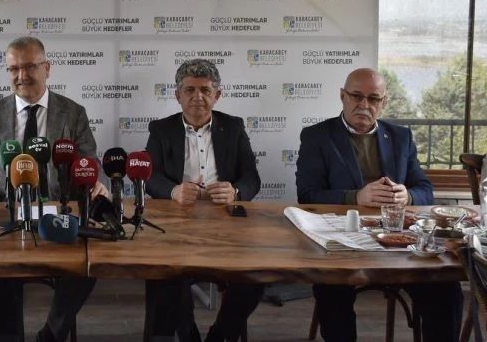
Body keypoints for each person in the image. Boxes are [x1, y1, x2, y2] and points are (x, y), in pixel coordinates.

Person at [0, 36, 108, 342]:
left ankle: (52, 334)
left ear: (47, 68)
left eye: (30, 67)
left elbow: (90, 162)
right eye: (14, 69)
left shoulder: (73, 112)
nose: (22, 76)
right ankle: (8, 335)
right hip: (3, 219)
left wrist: (96, 182)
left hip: (59, 215)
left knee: (91, 263)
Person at [295, 67, 463, 342]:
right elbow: (307, 194)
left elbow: (425, 190)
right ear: (342, 96)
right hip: (342, 241)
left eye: (373, 98)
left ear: (383, 102)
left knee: (445, 286)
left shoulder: (401, 137)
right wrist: (355, 197)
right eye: (356, 96)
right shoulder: (317, 136)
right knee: (331, 290)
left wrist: (407, 196)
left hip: (398, 242)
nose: (364, 104)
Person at [144, 58, 263, 342]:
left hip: (226, 226)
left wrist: (235, 191)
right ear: (178, 95)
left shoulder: (233, 127)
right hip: (177, 224)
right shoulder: (161, 129)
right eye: (190, 90)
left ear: (217, 95)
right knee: (170, 277)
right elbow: (149, 177)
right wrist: (173, 191)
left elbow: (252, 177)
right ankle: (189, 337)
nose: (198, 97)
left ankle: (220, 335)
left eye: (205, 90)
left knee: (254, 280)